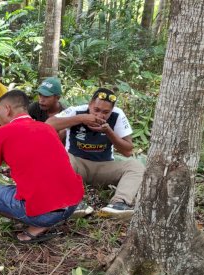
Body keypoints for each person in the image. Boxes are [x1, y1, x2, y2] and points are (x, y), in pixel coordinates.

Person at [0, 90, 84, 243]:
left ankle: (37, 222)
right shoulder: (47, 128)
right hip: (72, 204)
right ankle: (47, 219)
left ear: (7, 109)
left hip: (44, 212)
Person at [46, 88, 145, 220]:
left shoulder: (117, 115)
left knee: (135, 166)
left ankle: (119, 204)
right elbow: (48, 125)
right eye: (96, 110)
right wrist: (81, 118)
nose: (100, 115)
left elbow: (127, 151)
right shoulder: (77, 111)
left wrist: (109, 131)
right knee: (59, 157)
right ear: (90, 105)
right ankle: (72, 203)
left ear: (112, 110)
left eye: (106, 112)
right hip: (76, 165)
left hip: (104, 167)